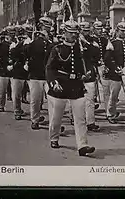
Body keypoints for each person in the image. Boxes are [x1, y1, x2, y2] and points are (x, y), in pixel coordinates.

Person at [45, 18, 95, 155]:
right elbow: (50, 69)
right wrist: (53, 82)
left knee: (80, 118)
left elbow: (92, 57)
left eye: (75, 32)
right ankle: (54, 137)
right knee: (56, 117)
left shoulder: (81, 48)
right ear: (64, 33)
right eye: (71, 32)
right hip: (60, 86)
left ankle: (82, 145)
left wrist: (86, 43)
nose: (74, 35)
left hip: (76, 86)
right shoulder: (57, 49)